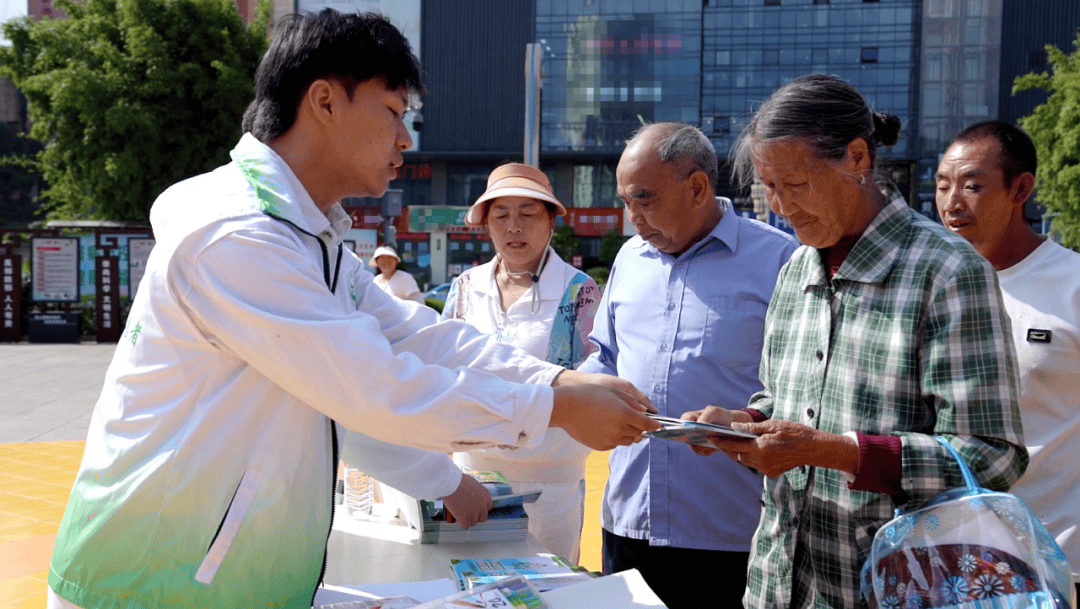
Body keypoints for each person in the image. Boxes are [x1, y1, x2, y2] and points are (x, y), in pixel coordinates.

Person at [46, 10, 659, 609]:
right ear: (324, 101)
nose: (405, 139)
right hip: (142, 578)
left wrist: (561, 380)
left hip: (230, 576)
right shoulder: (239, 237)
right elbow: (371, 387)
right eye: (393, 112)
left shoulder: (310, 239)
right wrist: (556, 406)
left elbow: (420, 337)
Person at [686, 74, 1028, 609]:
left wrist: (834, 453)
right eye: (767, 187)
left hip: (891, 588)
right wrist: (745, 425)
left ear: (857, 157)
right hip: (777, 584)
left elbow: (991, 456)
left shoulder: (946, 273)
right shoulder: (797, 267)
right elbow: (784, 404)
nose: (781, 206)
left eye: (795, 184)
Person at [575, 122, 799, 608]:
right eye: (625, 202)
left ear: (697, 187)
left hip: (730, 532)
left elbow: (803, 390)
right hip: (628, 522)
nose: (632, 218)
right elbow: (606, 356)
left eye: (644, 199)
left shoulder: (781, 261)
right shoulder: (630, 260)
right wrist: (581, 392)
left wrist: (741, 422)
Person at [936, 119, 1080, 600]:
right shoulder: (932, 289)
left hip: (1059, 562)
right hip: (950, 563)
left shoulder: (1071, 285)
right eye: (941, 185)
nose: (952, 203)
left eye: (973, 186)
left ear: (1022, 188)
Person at [440, 162, 601, 563]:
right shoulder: (465, 288)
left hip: (552, 482)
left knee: (549, 592)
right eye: (501, 215)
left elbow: (589, 384)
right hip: (474, 478)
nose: (514, 227)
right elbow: (441, 368)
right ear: (486, 224)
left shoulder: (578, 292)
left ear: (550, 222)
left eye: (528, 214)